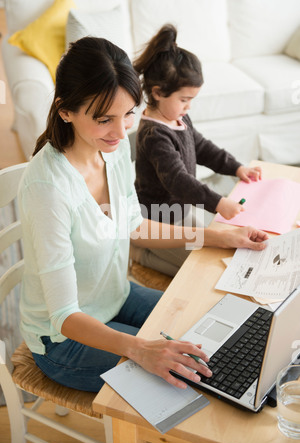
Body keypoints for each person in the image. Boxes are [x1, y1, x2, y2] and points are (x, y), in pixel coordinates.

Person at [18, 36, 268, 393]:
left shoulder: (112, 148)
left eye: (129, 114)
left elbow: (132, 225)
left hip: (115, 296)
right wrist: (140, 349)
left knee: (214, 330)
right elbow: (64, 317)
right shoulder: (47, 188)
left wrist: (219, 236)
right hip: (63, 340)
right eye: (105, 119)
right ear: (65, 110)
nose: (121, 132)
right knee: (191, 375)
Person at [133, 24, 262, 276]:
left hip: (182, 212)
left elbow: (201, 147)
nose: (188, 106)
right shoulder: (154, 135)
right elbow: (178, 181)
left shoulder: (178, 117)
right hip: (159, 220)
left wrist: (236, 167)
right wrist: (218, 202)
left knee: (217, 250)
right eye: (184, 99)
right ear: (158, 93)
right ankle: (140, 252)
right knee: (199, 271)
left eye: (191, 99)